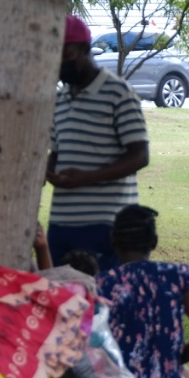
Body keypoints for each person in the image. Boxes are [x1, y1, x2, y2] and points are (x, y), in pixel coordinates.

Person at [47, 14, 149, 273]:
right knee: (62, 303)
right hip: (61, 223)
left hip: (107, 224)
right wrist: (46, 171)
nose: (59, 63)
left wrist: (86, 178)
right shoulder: (58, 99)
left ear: (84, 49)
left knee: (104, 305)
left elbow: (140, 156)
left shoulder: (118, 92)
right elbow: (57, 153)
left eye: (65, 54)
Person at [96, 204, 189, 378]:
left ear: (112, 240)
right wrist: (173, 360)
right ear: (154, 242)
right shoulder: (177, 275)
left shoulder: (101, 284)